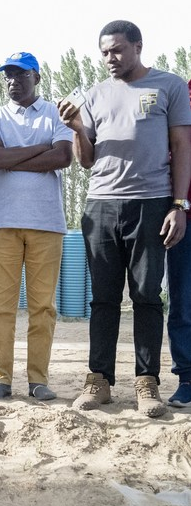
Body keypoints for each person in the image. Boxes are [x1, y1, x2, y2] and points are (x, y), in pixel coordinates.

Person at [59, 20, 191, 417]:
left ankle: (146, 385)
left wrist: (179, 204)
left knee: (148, 296)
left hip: (152, 203)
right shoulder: (94, 95)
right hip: (100, 205)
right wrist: (77, 127)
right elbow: (85, 161)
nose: (109, 58)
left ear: (137, 47)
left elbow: (182, 145)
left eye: (116, 50)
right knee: (102, 298)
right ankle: (98, 381)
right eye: (103, 52)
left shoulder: (169, 86)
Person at [0, 52, 74, 401]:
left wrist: (11, 157)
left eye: (20, 75)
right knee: (0, 306)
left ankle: (38, 380)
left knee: (42, 307)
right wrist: (38, 150)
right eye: (7, 76)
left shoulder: (56, 114)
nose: (12, 81)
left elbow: (63, 156)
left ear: (37, 77)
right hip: (1, 223)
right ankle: (0, 378)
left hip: (46, 224)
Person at [165, 78, 191, 407]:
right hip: (187, 212)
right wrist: (179, 205)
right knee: (183, 299)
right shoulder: (180, 94)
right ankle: (187, 377)